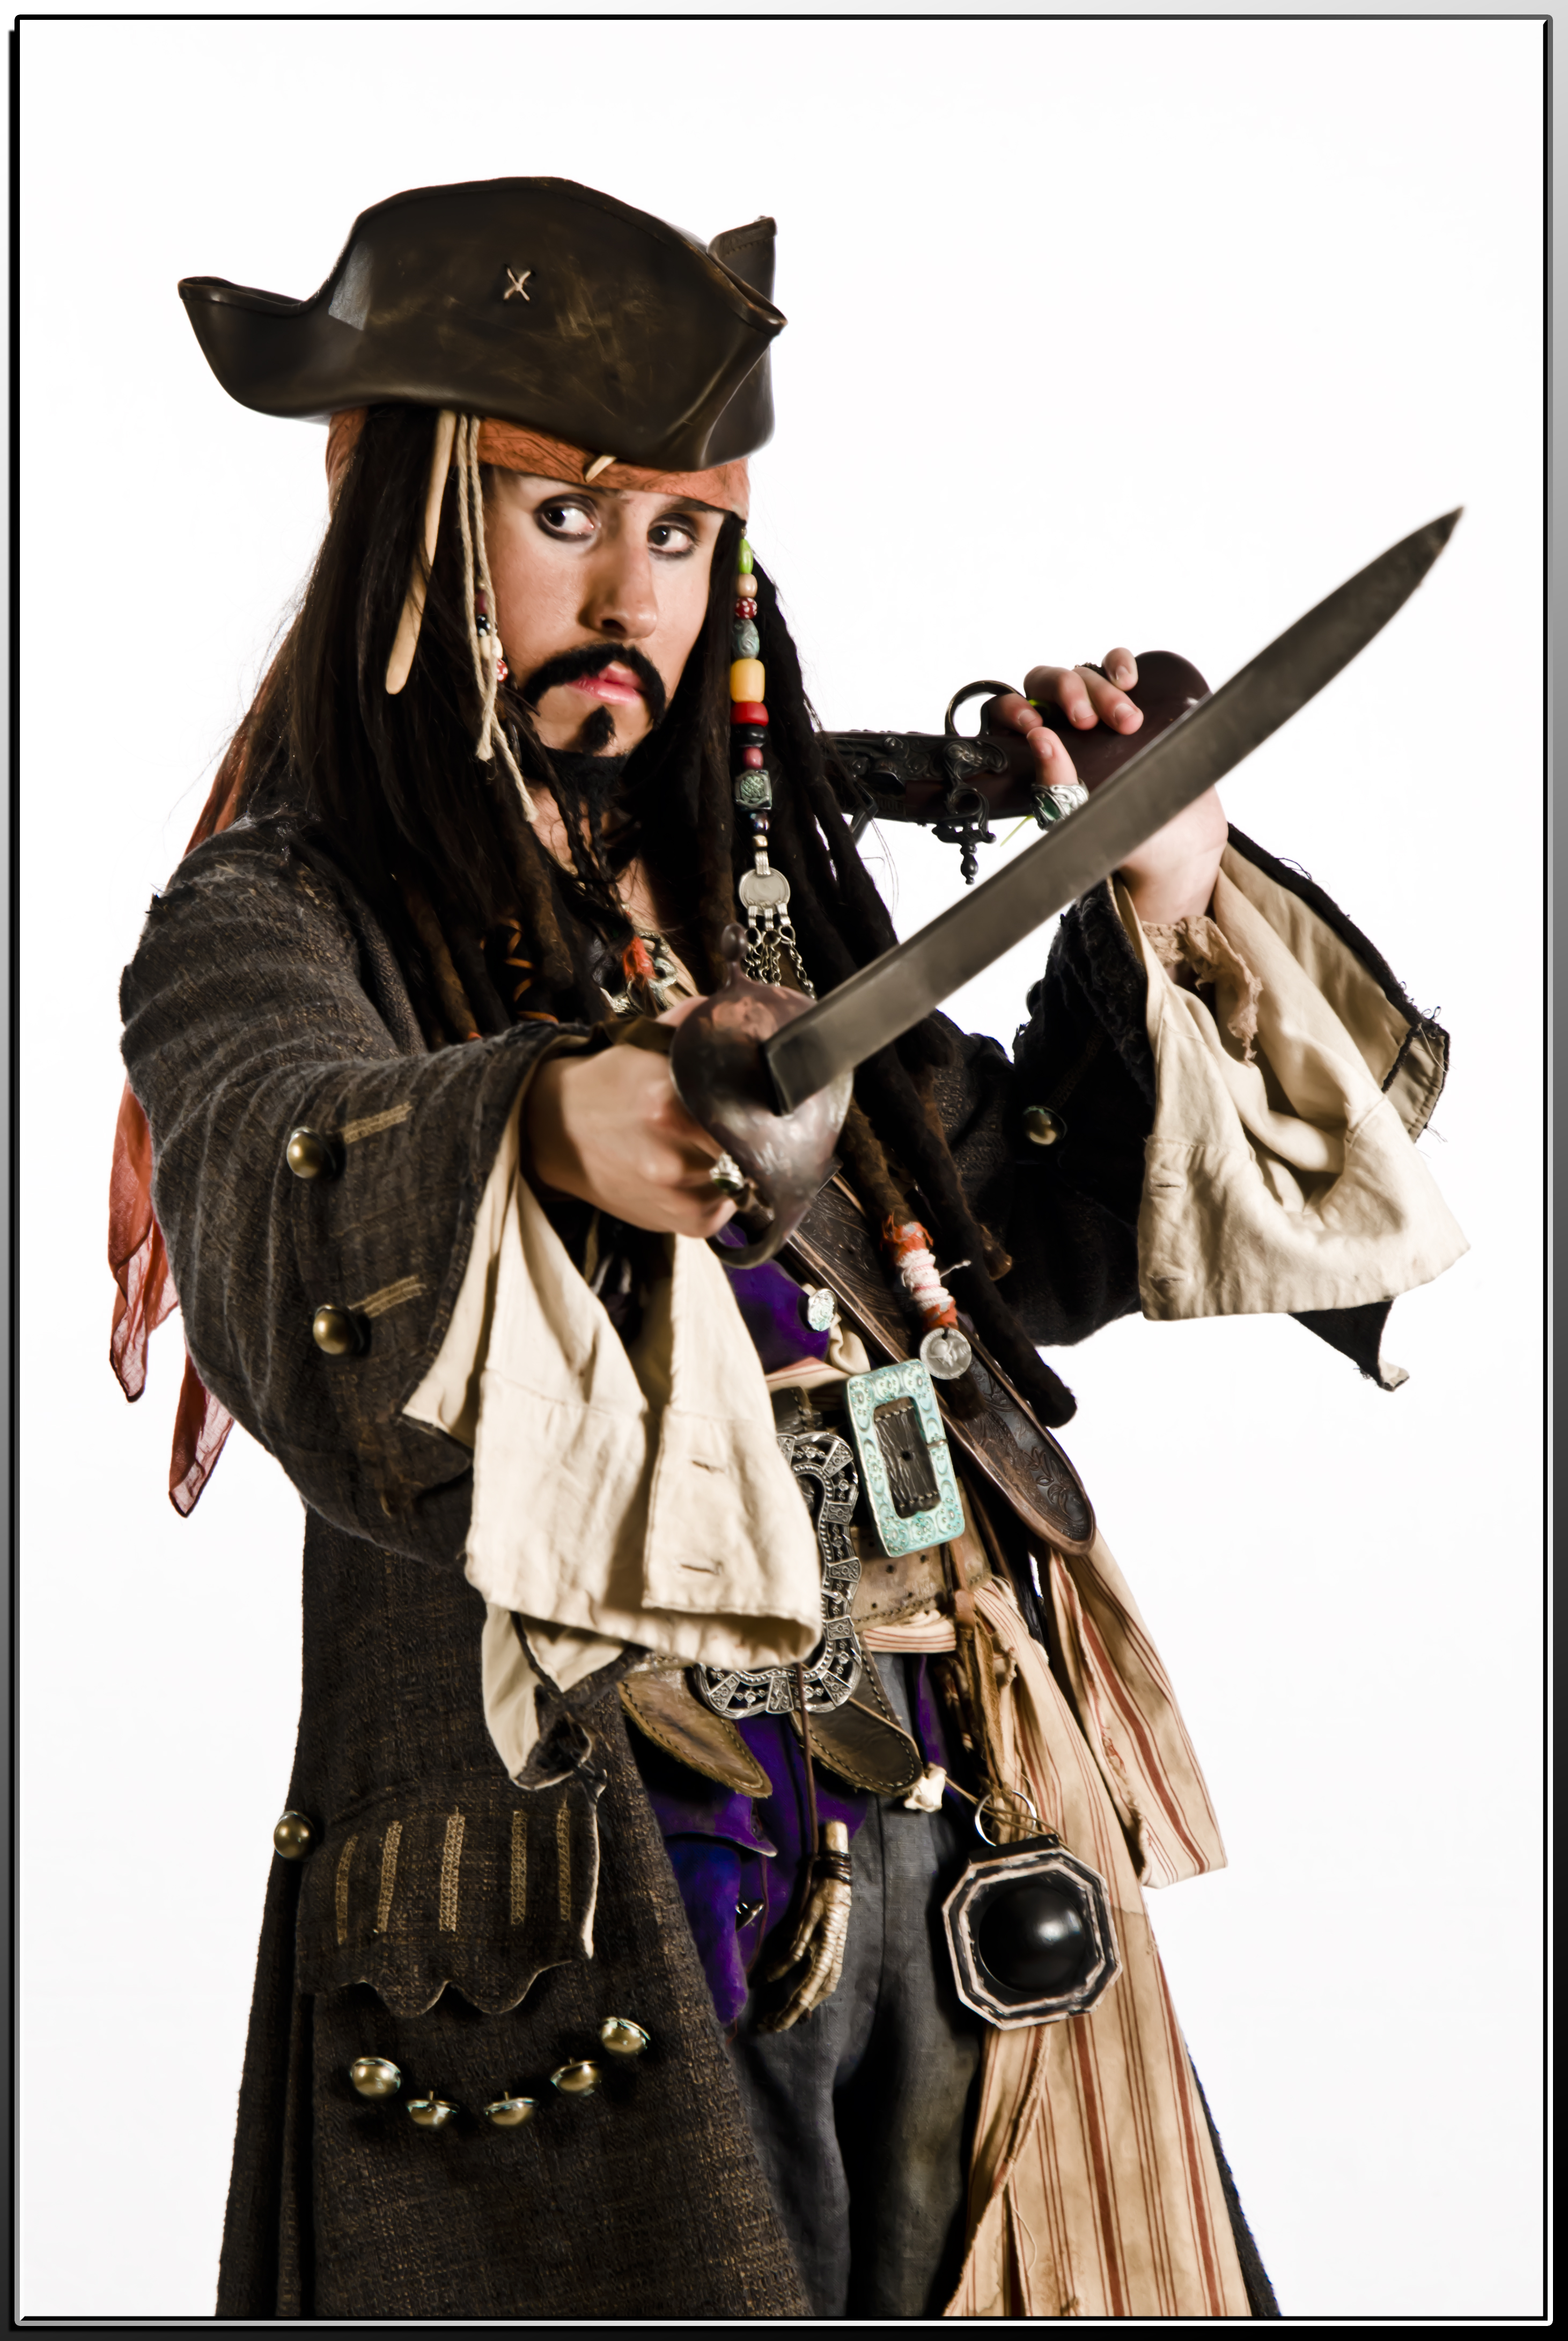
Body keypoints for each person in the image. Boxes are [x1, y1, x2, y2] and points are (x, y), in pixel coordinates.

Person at [112, 175, 1467, 2321]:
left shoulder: (761, 911)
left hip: (968, 1817)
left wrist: (1142, 891)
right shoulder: (275, 917)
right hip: (589, 1891)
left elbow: (1018, 1249)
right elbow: (279, 1156)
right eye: (565, 515)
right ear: (413, 531)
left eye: (677, 533)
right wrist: (541, 1120)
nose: (628, 593)